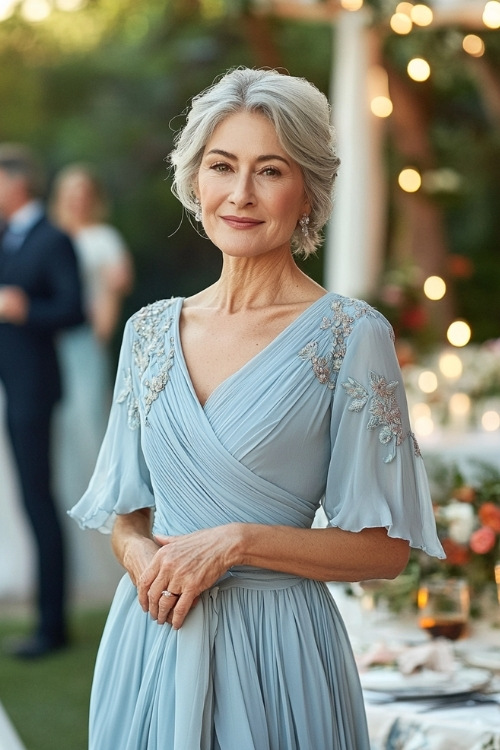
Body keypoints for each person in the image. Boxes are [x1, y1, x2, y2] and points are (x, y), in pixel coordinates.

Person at [69, 68, 444, 749]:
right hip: (152, 640)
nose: (240, 195)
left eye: (270, 171)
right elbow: (127, 513)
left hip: (279, 655)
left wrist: (238, 541)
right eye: (222, 166)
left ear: (307, 192)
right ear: (195, 179)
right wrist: (143, 558)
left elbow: (386, 552)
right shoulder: (147, 332)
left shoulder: (353, 336)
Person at [0, 143, 84, 658]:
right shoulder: (5, 238)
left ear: (16, 183)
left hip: (34, 389)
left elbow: (73, 309)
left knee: (39, 500)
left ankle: (52, 625)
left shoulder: (54, 239)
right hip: (8, 386)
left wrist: (24, 307)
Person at [50, 164, 134, 511]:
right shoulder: (50, 236)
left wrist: (100, 333)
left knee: (84, 420)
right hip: (45, 341)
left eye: (83, 193)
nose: (77, 201)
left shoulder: (103, 238)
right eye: (71, 193)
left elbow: (116, 286)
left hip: (81, 341)